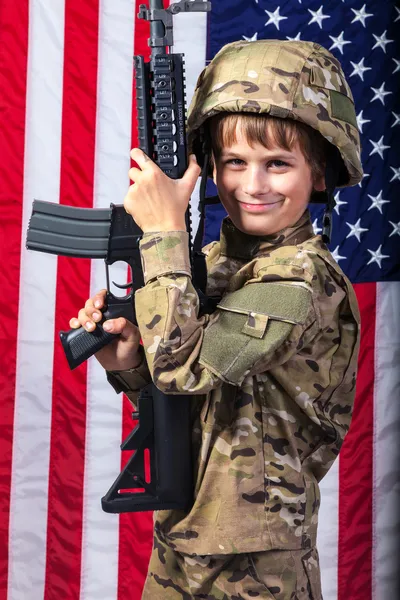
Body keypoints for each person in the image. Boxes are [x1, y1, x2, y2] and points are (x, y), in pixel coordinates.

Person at [70, 40, 362, 599]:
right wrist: (128, 359)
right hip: (183, 529)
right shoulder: (210, 264)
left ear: (320, 173)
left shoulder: (303, 278)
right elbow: (181, 394)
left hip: (256, 554)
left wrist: (163, 235)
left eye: (277, 164)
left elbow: (187, 369)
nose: (253, 185)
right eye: (234, 163)